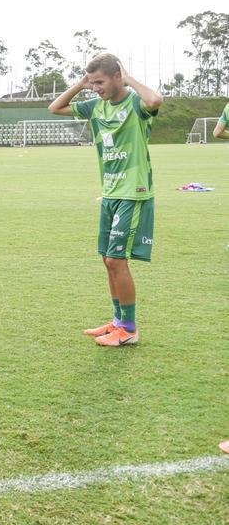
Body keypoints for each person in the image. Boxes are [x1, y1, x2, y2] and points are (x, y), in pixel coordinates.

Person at [49, 53, 162, 347]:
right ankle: (117, 320)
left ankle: (130, 328)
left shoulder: (135, 103)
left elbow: (155, 101)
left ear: (116, 76)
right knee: (107, 260)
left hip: (133, 193)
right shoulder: (95, 106)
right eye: (92, 82)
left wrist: (130, 78)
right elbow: (55, 107)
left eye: (100, 81)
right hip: (110, 193)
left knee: (116, 259)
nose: (95, 87)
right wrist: (80, 84)